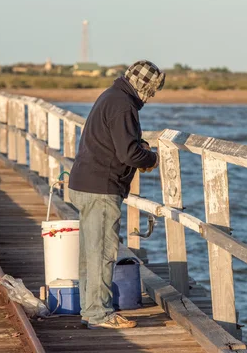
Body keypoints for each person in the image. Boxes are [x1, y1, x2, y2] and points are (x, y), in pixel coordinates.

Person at [67, 60, 165, 329]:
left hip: (85, 183)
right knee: (102, 253)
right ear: (143, 86)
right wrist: (151, 158)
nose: (152, 96)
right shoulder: (124, 105)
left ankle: (91, 309)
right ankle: (100, 314)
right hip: (100, 188)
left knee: (91, 253)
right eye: (152, 90)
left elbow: (121, 142)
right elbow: (128, 153)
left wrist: (139, 148)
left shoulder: (112, 96)